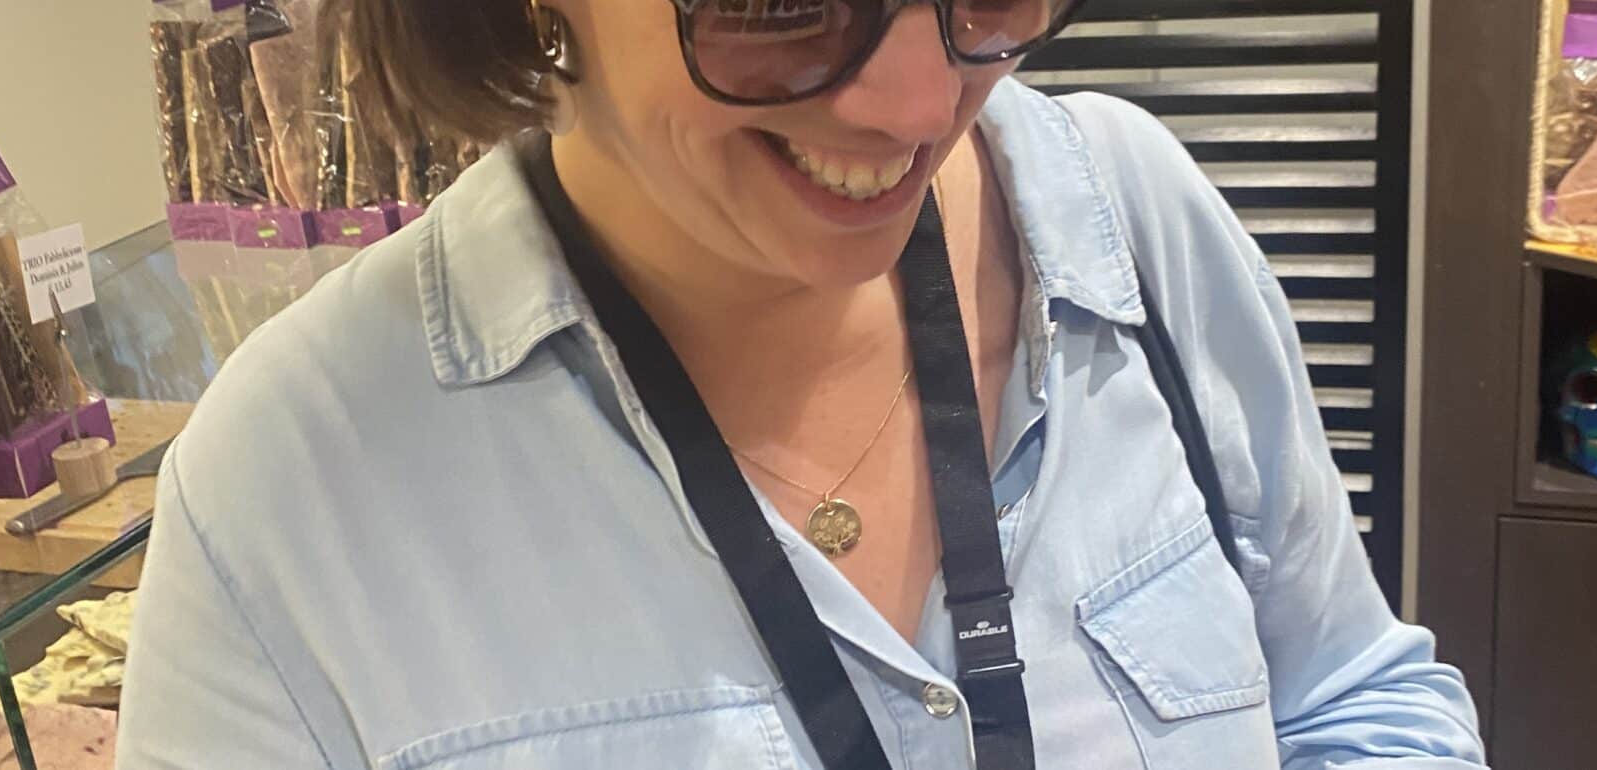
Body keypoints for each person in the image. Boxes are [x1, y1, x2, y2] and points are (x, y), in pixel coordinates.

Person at [117, 1, 1487, 768]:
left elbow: (1349, 697)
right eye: (779, 0)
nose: (916, 104)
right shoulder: (288, 494)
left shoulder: (1126, 222)